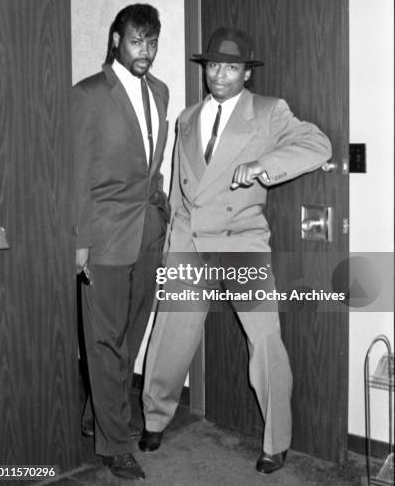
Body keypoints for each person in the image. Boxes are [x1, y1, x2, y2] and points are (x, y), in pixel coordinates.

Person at [139, 27, 332, 475]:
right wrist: (173, 248)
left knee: (265, 342)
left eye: (230, 66)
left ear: (246, 72)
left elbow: (316, 144)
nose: (219, 74)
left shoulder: (268, 112)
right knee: (170, 335)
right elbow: (179, 188)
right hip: (189, 242)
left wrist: (264, 166)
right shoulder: (187, 118)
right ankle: (154, 417)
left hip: (241, 242)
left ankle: (276, 440)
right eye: (212, 65)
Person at [72, 4, 170, 481]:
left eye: (152, 42)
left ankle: (95, 417)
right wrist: (80, 241)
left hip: (148, 232)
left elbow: (148, 160)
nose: (145, 52)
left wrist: (161, 199)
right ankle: (114, 442)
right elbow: (76, 174)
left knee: (130, 338)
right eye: (136, 41)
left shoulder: (161, 92)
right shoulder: (89, 95)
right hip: (105, 236)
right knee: (106, 340)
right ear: (116, 40)